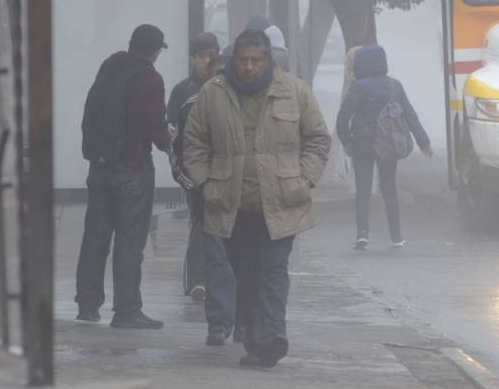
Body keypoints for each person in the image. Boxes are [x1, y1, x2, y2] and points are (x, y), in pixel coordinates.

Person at [183, 29, 331, 367]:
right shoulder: (213, 94)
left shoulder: (294, 92)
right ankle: (252, 336)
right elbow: (194, 144)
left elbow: (318, 140)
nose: (249, 67)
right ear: (233, 60)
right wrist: (205, 184)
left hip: (281, 203)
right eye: (243, 60)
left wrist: (304, 178)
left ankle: (271, 336)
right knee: (245, 274)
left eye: (256, 60)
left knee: (274, 270)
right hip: (232, 205)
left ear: (268, 60)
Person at [75, 24, 171, 329]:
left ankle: (88, 305)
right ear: (155, 51)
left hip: (100, 169)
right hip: (133, 170)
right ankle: (127, 310)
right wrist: (170, 145)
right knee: (130, 242)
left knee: (95, 238)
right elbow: (154, 123)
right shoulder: (150, 78)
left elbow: (90, 110)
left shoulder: (109, 67)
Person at [169, 55, 239, 346]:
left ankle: (242, 320)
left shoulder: (247, 105)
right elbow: (182, 150)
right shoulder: (191, 104)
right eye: (216, 76)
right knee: (215, 258)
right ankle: (219, 323)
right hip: (208, 197)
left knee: (240, 260)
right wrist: (197, 186)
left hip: (242, 198)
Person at [335, 44, 432, 250]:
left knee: (363, 189)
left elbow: (342, 119)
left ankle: (362, 234)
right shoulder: (395, 86)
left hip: (362, 144)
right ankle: (396, 236)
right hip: (388, 144)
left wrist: (347, 143)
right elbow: (410, 115)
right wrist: (424, 143)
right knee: (389, 188)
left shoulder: (358, 86)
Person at [167, 31, 220, 301]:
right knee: (200, 223)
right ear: (192, 58)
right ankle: (197, 280)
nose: (207, 61)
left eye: (212, 55)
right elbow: (172, 138)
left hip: (224, 173)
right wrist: (183, 175)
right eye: (202, 56)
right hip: (193, 174)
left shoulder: (227, 86)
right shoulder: (182, 91)